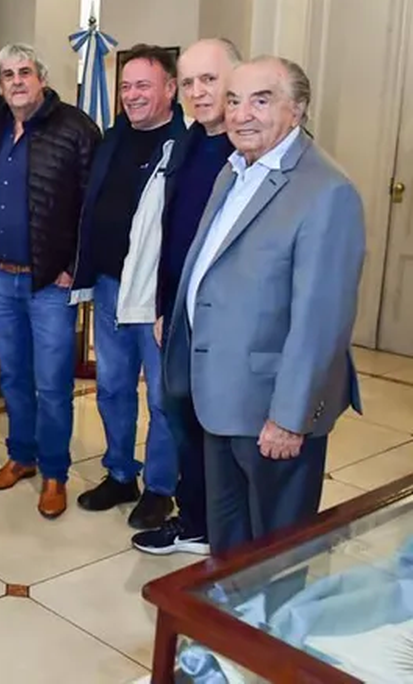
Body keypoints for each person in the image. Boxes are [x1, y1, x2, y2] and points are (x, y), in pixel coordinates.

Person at [163, 56, 365, 556]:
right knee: (229, 546)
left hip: (271, 410)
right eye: (234, 100)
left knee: (277, 555)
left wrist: (290, 417)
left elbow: (322, 322)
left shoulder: (326, 191)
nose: (241, 114)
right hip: (220, 399)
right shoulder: (234, 170)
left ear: (297, 109)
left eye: (261, 100)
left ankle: (265, 614)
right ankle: (226, 608)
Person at [0, 44, 100, 519]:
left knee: (51, 384)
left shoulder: (75, 128)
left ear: (42, 79)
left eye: (24, 72)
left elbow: (93, 204)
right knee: (12, 376)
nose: (16, 81)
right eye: (7, 74)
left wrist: (74, 265)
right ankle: (21, 456)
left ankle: (54, 473)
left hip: (50, 281)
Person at [70, 44, 186, 531]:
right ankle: (120, 474)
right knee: (113, 388)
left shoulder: (186, 146)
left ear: (170, 89)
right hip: (109, 287)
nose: (132, 95)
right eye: (125, 86)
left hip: (158, 297)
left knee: (161, 398)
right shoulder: (113, 138)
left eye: (143, 85)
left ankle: (160, 487)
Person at [131, 38, 239, 556]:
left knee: (216, 427)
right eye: (190, 82)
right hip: (177, 310)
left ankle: (220, 528)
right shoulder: (189, 142)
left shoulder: (246, 149)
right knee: (181, 416)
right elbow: (171, 232)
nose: (198, 92)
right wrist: (161, 307)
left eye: (209, 80)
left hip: (224, 320)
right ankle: (194, 520)